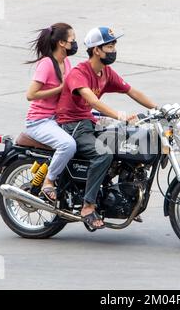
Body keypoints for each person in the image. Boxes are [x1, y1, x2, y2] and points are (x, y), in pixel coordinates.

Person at [56, 26, 157, 229]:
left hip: (89, 123)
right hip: (71, 125)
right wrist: (120, 115)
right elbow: (92, 101)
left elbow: (132, 91)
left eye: (114, 46)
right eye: (109, 46)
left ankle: (122, 196)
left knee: (124, 143)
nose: (113, 50)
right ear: (96, 50)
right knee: (104, 153)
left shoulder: (105, 72)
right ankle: (88, 206)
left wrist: (159, 109)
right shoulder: (79, 73)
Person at [24, 23, 78, 203]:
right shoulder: (47, 64)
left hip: (58, 117)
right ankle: (49, 181)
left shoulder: (66, 62)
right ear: (62, 43)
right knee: (68, 145)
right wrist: (60, 89)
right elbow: (31, 95)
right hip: (39, 121)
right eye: (72, 39)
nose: (75, 43)